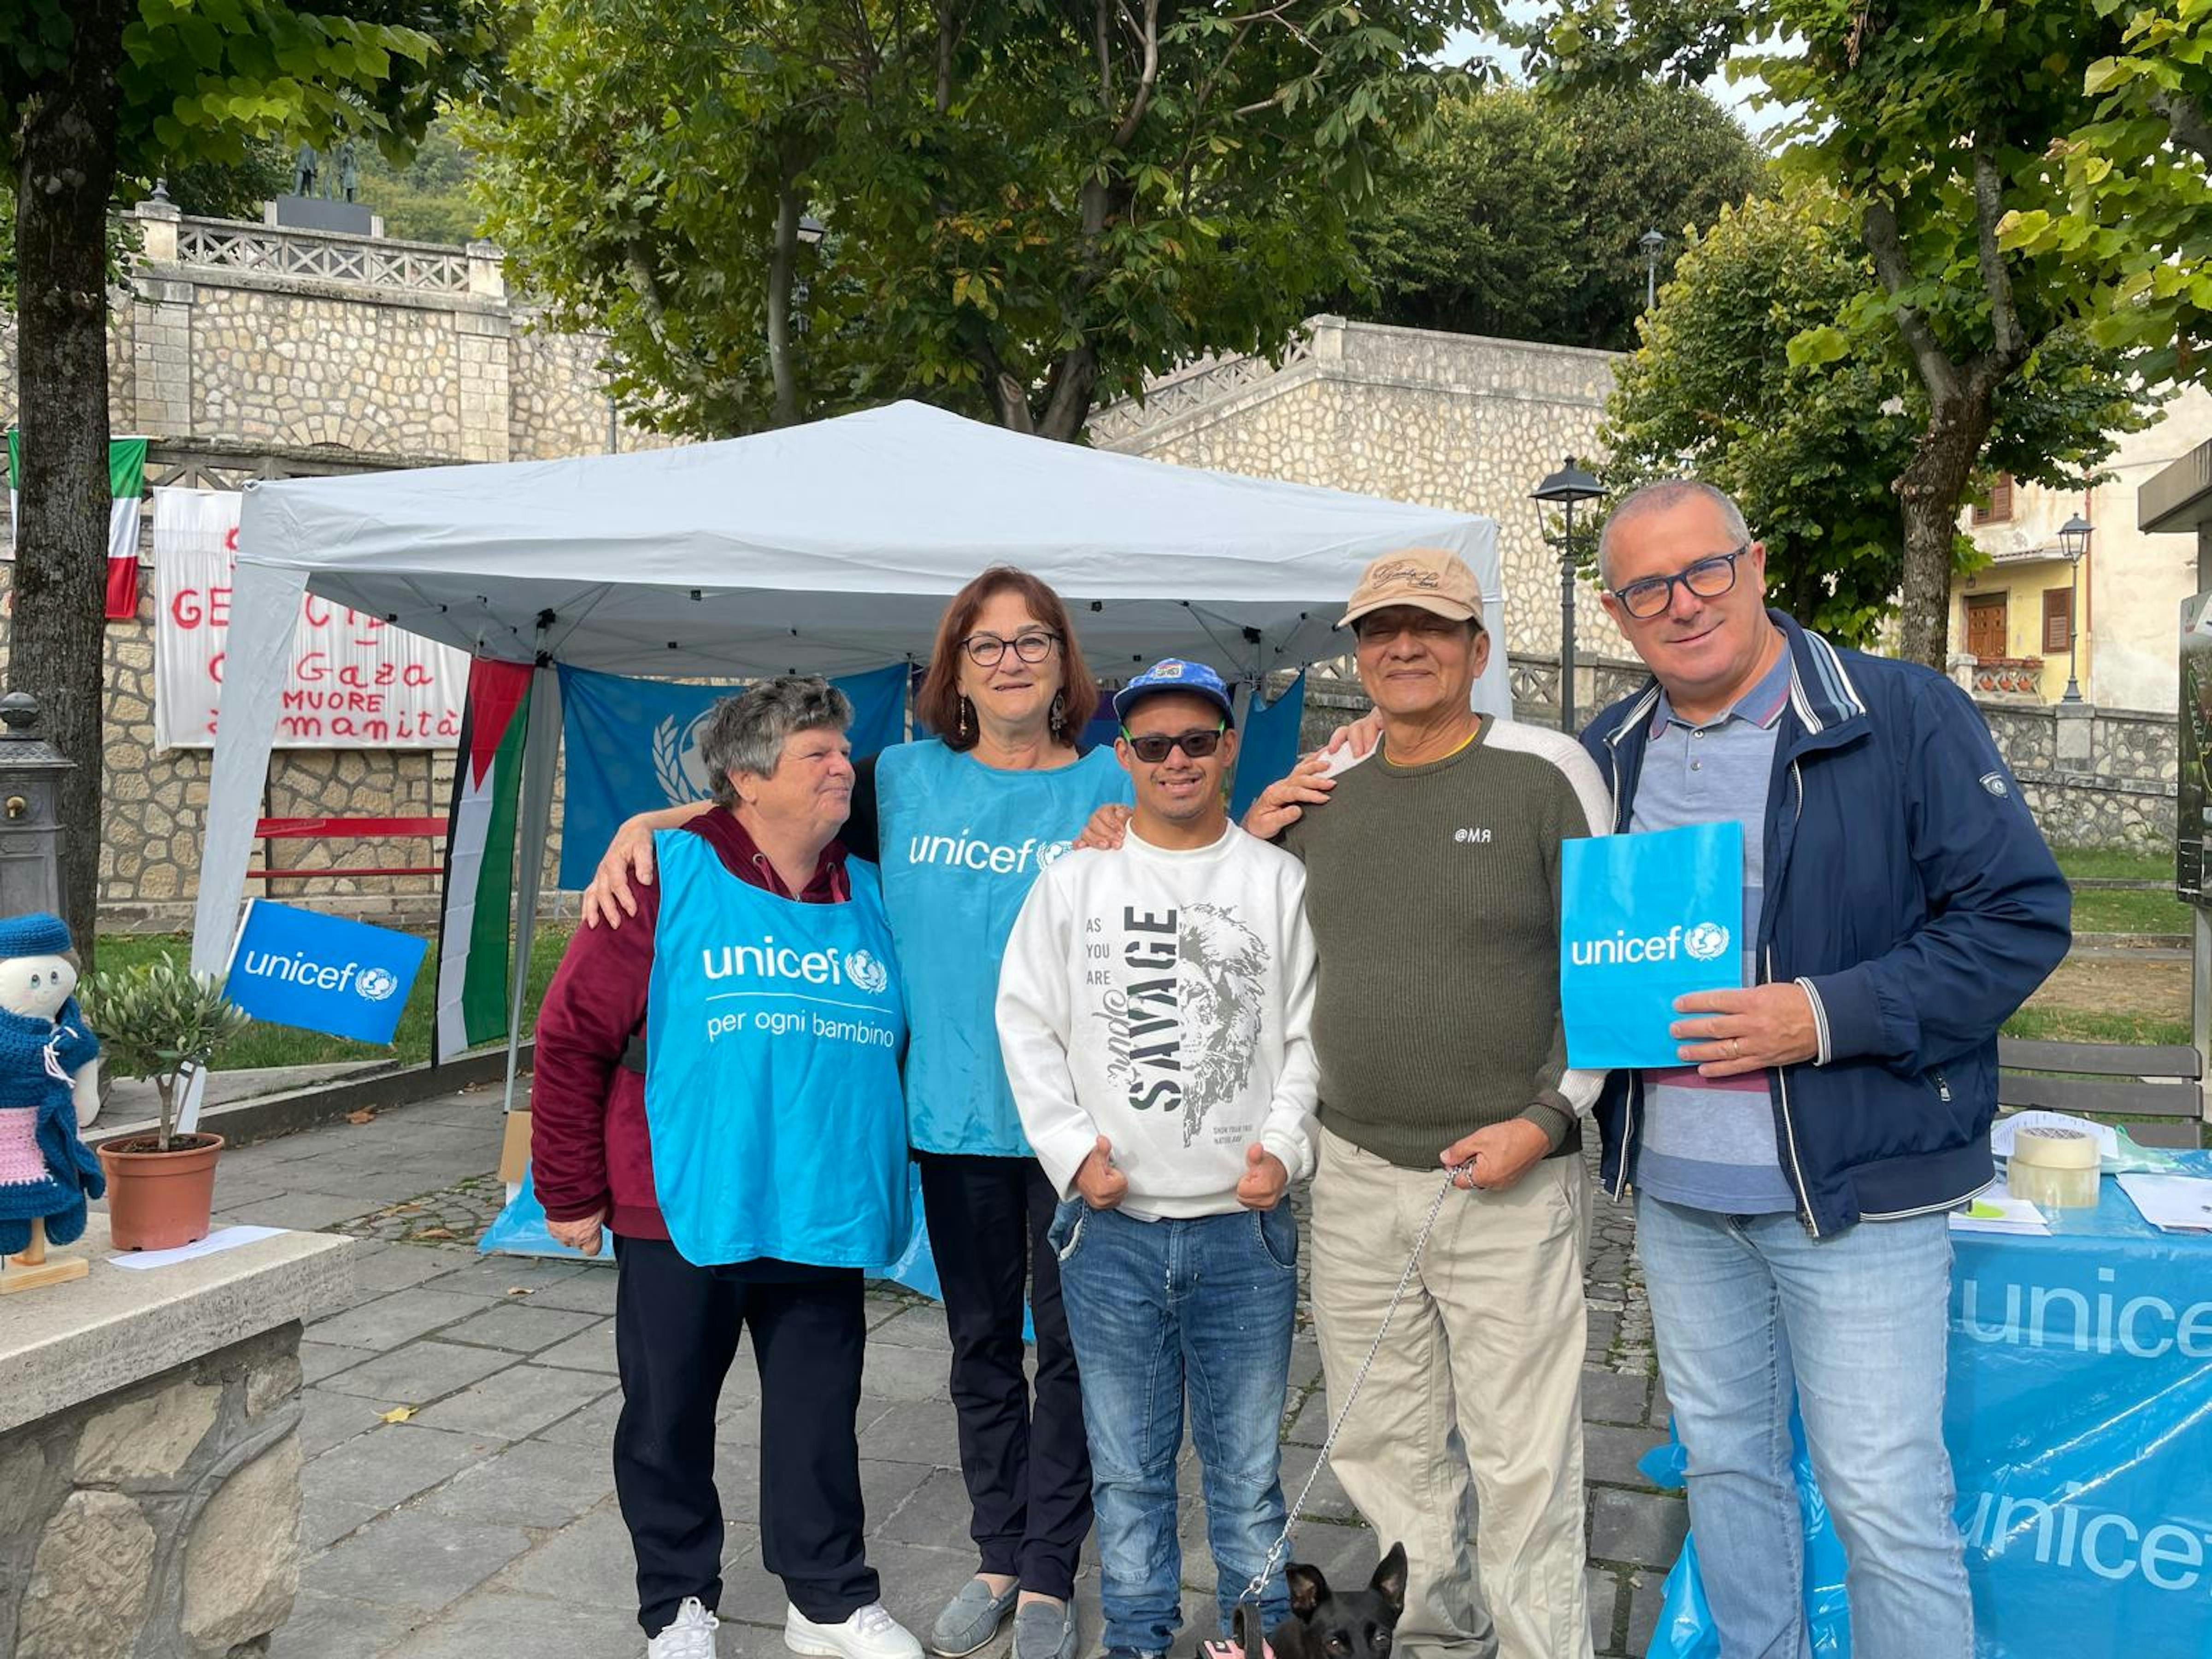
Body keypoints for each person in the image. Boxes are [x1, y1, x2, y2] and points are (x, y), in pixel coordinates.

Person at [581, 569, 1130, 1659]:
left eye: (1034, 641)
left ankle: (1050, 1576)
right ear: (953, 670)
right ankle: (994, 1549)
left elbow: (1208, 852)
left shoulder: (1116, 782)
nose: (1012, 660)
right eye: (987, 644)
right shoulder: (900, 782)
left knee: (1075, 1357)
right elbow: (770, 807)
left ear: (1066, 662)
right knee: (980, 1347)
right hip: (950, 1120)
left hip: (1081, 1127)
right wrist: (643, 822)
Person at [1578, 480, 2071, 1659]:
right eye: (1649, 589)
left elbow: (2018, 918)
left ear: (1754, 566)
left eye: (1706, 571)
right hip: (1684, 1201)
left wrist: (1825, 1015)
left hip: (1853, 1194)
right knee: (1730, 1473)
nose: (1684, 605)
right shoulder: (1608, 748)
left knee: (1886, 1505)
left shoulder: (1899, 711)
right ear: (1616, 609)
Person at [1235, 547, 1609, 1659]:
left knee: (1523, 1457)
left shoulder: (1548, 772)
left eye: (1432, 628)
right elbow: (1240, 942)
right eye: (1381, 628)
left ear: (1477, 650)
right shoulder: (1323, 790)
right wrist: (1250, 835)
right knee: (1387, 1448)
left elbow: (1609, 972)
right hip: (1352, 1174)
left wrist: (1550, 1119)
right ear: (1357, 652)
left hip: (1511, 1176)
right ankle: (1437, 1639)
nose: (1404, 646)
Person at [531, 678, 922, 1659]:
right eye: (818, 755)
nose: (845, 768)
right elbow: (573, 1039)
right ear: (748, 779)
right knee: (667, 1416)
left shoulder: (869, 883)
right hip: (681, 1202)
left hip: (820, 1201)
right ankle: (676, 1604)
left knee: (819, 1416)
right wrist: (570, 1191)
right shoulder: (660, 877)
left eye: (843, 749)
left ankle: (827, 1595)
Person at [997, 658, 1320, 1659]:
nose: (1175, 761)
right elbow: (1025, 1023)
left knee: (1246, 1468)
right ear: (1124, 757)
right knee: (1127, 1469)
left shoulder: (1276, 879)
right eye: (1152, 745)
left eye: (1196, 741)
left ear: (1228, 749)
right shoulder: (1075, 879)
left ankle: (1256, 1635)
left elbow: (1311, 1033)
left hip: (1242, 1231)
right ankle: (1138, 1638)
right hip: (1113, 1233)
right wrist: (1067, 1153)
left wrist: (1283, 1147)